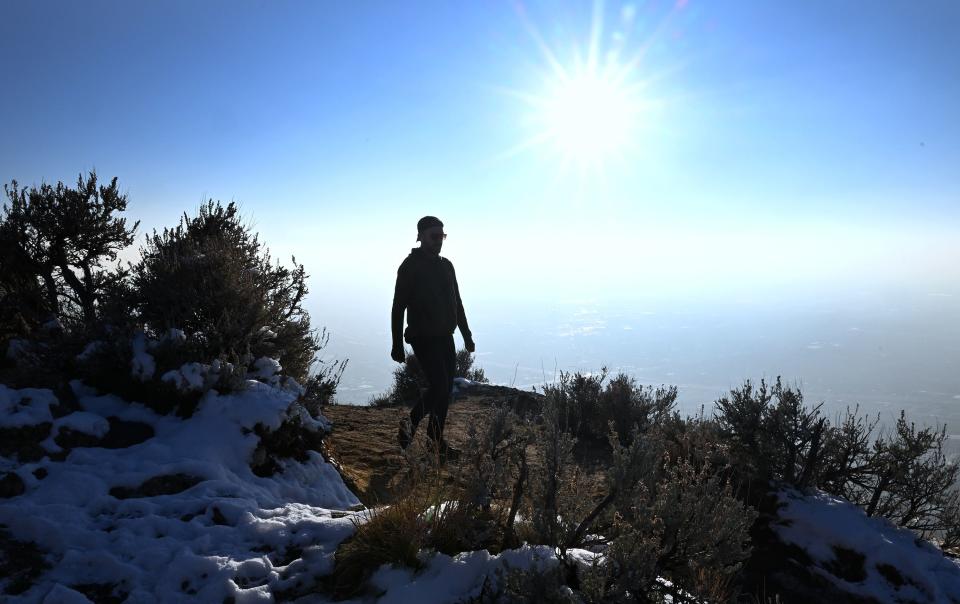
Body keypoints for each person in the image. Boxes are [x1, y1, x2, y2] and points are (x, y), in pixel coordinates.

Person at [391, 215, 474, 457]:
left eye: (442, 236)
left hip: (445, 336)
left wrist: (466, 335)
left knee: (445, 389)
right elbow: (398, 308)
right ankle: (410, 425)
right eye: (434, 236)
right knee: (439, 385)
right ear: (420, 236)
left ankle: (434, 443)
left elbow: (457, 302)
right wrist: (397, 344)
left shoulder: (447, 265)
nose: (439, 240)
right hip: (422, 337)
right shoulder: (409, 267)